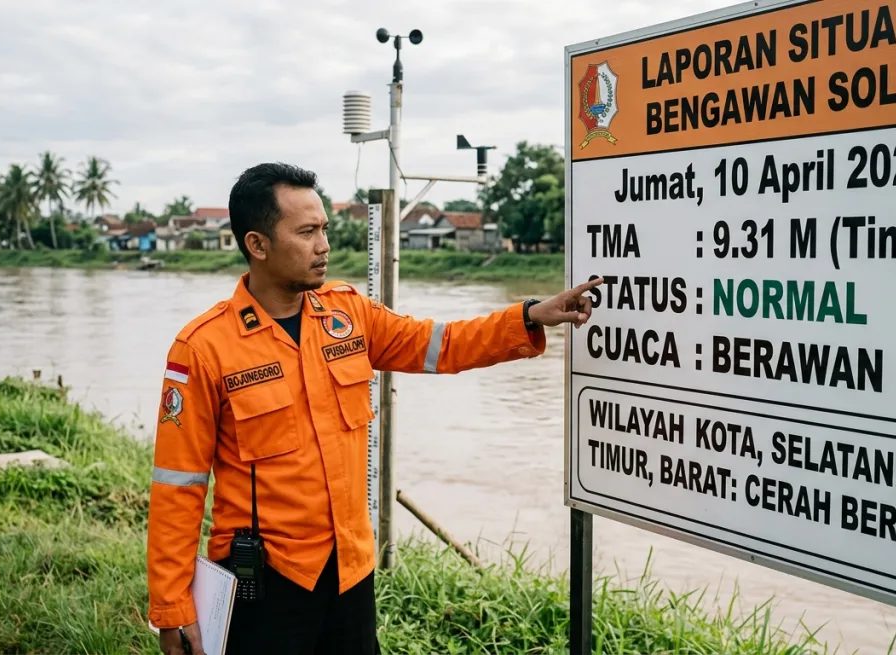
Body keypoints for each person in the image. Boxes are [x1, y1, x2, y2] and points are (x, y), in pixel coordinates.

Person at [146, 162, 602, 655]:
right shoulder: (203, 348)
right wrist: (172, 605)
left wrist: (529, 315)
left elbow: (442, 344)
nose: (324, 245)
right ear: (257, 245)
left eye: (324, 229)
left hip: (350, 572)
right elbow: (178, 485)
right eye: (306, 233)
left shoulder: (349, 314)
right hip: (265, 582)